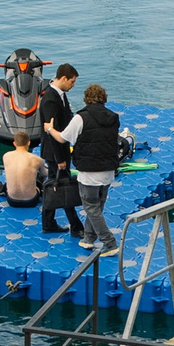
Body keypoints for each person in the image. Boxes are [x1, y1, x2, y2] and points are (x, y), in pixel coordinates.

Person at [63, 83, 122, 253]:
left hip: (89, 171)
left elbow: (64, 137)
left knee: (91, 207)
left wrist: (50, 129)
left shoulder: (81, 117)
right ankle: (88, 237)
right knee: (98, 206)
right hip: (108, 170)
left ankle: (109, 242)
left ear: (86, 99)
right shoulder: (113, 117)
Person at [37, 65, 82, 238]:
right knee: (63, 187)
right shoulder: (50, 99)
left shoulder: (60, 96)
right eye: (72, 81)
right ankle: (75, 225)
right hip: (55, 152)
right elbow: (50, 131)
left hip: (61, 149)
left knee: (56, 185)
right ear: (63, 78)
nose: (73, 85)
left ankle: (49, 222)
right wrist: (60, 158)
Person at [0, 134, 45, 209]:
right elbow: (44, 174)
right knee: (38, 176)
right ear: (29, 143)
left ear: (14, 143)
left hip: (12, 201)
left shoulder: (6, 156)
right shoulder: (36, 159)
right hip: (31, 201)